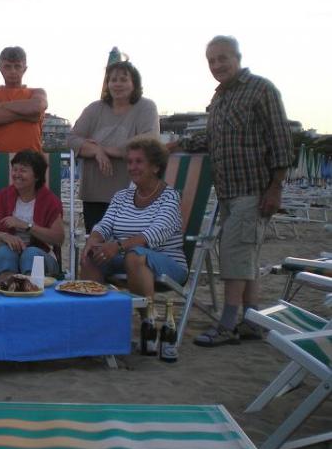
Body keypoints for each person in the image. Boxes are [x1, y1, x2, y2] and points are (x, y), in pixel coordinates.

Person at [174, 36, 293, 347]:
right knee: (245, 257)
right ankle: (252, 321)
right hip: (228, 192)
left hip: (253, 190)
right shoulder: (219, 98)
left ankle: (227, 324)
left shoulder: (261, 89)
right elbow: (211, 140)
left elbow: (281, 141)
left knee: (233, 256)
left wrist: (275, 188)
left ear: (237, 58)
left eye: (222, 58)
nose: (217, 65)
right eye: (211, 61)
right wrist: (175, 145)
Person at [80, 137, 187, 301]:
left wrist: (118, 246)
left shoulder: (170, 198)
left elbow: (154, 234)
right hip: (126, 258)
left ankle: (146, 315)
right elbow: (105, 225)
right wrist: (93, 239)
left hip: (167, 263)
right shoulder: (121, 196)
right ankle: (95, 311)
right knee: (91, 257)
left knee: (135, 256)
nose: (132, 167)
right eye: (129, 162)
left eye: (139, 162)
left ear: (156, 167)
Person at [66, 61, 159, 233]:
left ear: (134, 83)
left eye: (123, 79)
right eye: (113, 80)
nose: (117, 84)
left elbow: (149, 139)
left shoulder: (146, 107)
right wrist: (96, 151)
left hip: (133, 193)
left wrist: (105, 150)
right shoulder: (94, 109)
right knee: (95, 242)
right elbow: (72, 138)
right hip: (94, 194)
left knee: (127, 242)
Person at [0, 149, 65, 280]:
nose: (17, 174)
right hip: (9, 253)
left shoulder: (49, 201)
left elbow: (58, 238)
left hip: (41, 255)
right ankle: (9, 286)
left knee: (30, 254)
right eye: (14, 169)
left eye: (23, 170)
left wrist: (26, 226)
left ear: (37, 176)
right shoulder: (3, 197)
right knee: (4, 253)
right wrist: (4, 236)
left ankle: (29, 288)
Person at [0, 46, 48, 154]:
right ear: (0, 68)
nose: (12, 71)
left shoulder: (37, 92)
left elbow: (37, 106)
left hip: (32, 159)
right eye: (7, 66)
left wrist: (1, 105)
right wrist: (28, 115)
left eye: (17, 66)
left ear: (24, 68)